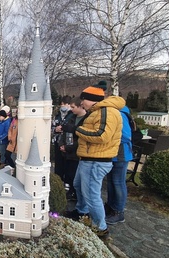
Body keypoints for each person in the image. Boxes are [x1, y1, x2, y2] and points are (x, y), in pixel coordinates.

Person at [66, 86, 124, 239]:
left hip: (96, 161)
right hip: (87, 158)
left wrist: (76, 130)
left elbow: (102, 135)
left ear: (90, 99)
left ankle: (101, 228)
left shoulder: (107, 111)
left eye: (83, 99)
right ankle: (82, 211)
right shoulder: (97, 112)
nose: (81, 103)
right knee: (78, 185)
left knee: (92, 194)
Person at [105, 105, 133, 224]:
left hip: (121, 154)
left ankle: (119, 211)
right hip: (113, 154)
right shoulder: (116, 113)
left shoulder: (120, 114)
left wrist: (109, 137)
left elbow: (126, 136)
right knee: (111, 181)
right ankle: (111, 206)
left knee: (118, 182)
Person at [59, 97, 86, 201]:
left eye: (73, 107)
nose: (71, 109)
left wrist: (68, 147)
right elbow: (65, 132)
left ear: (80, 106)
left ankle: (76, 194)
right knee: (68, 174)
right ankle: (70, 191)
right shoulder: (71, 118)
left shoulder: (86, 120)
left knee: (74, 175)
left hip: (76, 153)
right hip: (67, 152)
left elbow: (81, 139)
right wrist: (62, 144)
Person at [52, 95, 73, 186]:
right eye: (62, 104)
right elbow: (52, 126)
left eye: (64, 104)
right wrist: (55, 129)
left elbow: (73, 129)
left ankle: (67, 184)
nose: (62, 106)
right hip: (57, 142)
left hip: (68, 144)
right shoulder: (57, 116)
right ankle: (58, 182)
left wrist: (64, 128)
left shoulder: (72, 116)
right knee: (58, 164)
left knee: (68, 165)